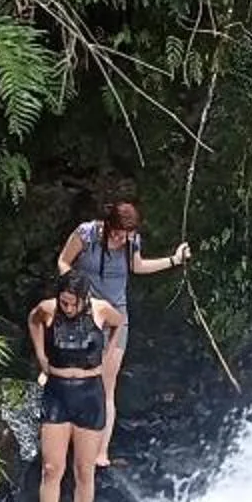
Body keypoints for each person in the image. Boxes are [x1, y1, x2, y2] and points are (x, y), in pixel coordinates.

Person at [52, 200, 190, 466]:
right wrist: (77, 293)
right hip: (83, 315)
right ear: (108, 223)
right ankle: (69, 440)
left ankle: (100, 452)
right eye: (116, 232)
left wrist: (174, 260)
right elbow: (63, 262)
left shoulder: (131, 241)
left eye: (125, 234)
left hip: (116, 318)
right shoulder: (86, 234)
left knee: (106, 384)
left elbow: (137, 267)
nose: (119, 238)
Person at [27, 273, 126, 502]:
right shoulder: (49, 309)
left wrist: (107, 352)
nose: (68, 309)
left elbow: (119, 322)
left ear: (85, 299)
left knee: (84, 469)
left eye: (73, 304)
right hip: (57, 392)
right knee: (51, 468)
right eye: (64, 303)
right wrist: (41, 356)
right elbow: (33, 319)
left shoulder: (101, 309)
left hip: (89, 393)